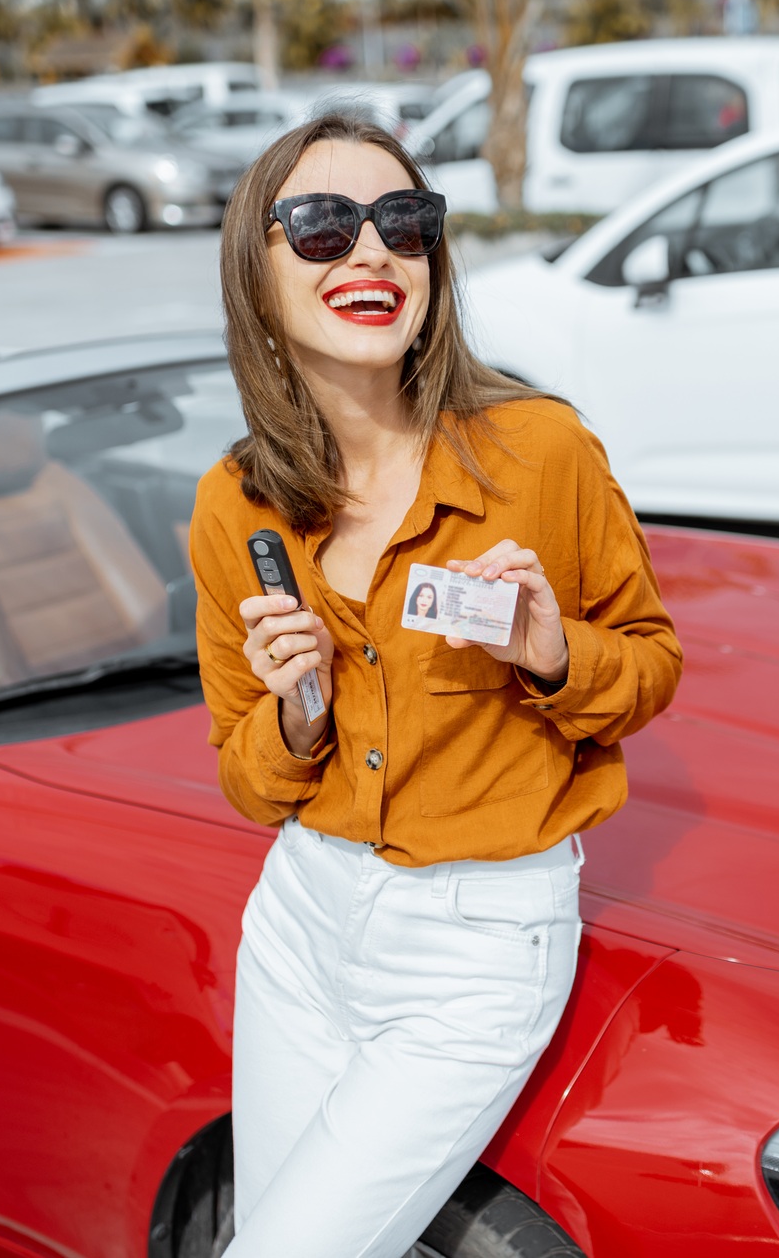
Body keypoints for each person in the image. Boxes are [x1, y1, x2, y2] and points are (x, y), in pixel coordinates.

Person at [190, 112, 682, 1257]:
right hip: (301, 921)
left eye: (403, 223)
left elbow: (648, 660)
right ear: (256, 275)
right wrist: (299, 705)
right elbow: (247, 779)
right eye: (320, 226)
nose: (371, 251)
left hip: (474, 944)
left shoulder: (540, 451)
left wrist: (548, 648)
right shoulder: (235, 501)